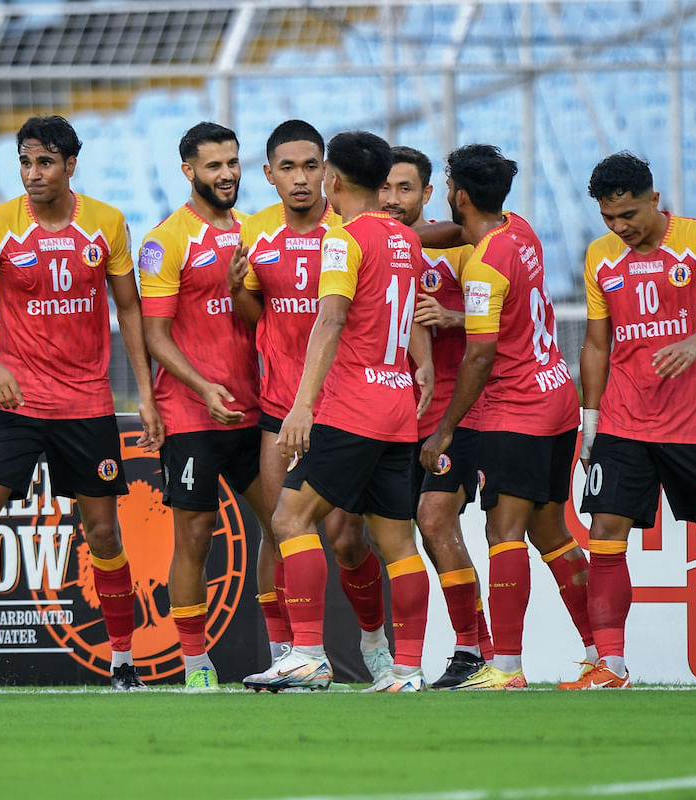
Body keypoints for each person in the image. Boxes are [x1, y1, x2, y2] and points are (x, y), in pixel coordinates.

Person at [0, 115, 163, 695]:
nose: (33, 173)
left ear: (70, 165)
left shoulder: (107, 225)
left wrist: (145, 394)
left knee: (103, 535)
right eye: (24, 162)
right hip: (15, 402)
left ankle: (123, 666)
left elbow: (131, 312)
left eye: (45, 162)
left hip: (87, 406)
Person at [565, 151, 696, 689]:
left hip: (692, 428)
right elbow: (596, 344)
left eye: (629, 215)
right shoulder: (600, 256)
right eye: (609, 219)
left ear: (654, 200)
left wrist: (694, 342)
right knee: (605, 535)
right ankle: (610, 667)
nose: (621, 228)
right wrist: (590, 423)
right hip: (621, 421)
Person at [243, 130, 434, 693]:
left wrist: (302, 406)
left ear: (332, 180)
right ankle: (407, 669)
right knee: (397, 543)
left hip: (351, 408)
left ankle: (306, 653)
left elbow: (329, 321)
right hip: (398, 405)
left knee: (289, 520)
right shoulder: (405, 239)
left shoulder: (342, 240)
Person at [421, 144, 595, 690]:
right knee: (553, 533)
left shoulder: (484, 265)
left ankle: (507, 667)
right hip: (556, 397)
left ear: (461, 195)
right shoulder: (519, 231)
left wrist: (446, 428)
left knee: (504, 531)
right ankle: (599, 653)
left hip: (515, 410)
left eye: (449, 187)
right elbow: (457, 237)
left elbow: (480, 355)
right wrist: (391, 237)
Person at [137, 122, 277, 691]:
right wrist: (202, 387)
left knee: (284, 525)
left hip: (254, 408)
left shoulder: (255, 231)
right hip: (193, 415)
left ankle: (288, 651)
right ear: (188, 171)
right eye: (214, 166)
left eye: (234, 163)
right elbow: (156, 336)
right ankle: (195, 666)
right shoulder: (164, 240)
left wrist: (243, 289)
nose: (227, 174)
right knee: (194, 538)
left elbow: (265, 319)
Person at [380, 146, 494, 689]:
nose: (393, 199)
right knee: (384, 535)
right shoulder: (369, 249)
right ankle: (403, 655)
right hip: (389, 415)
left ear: (428, 195)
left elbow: (503, 325)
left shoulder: (464, 252)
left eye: (405, 188)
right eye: (384, 188)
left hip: (454, 412)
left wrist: (453, 316)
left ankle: (476, 649)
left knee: (434, 520)